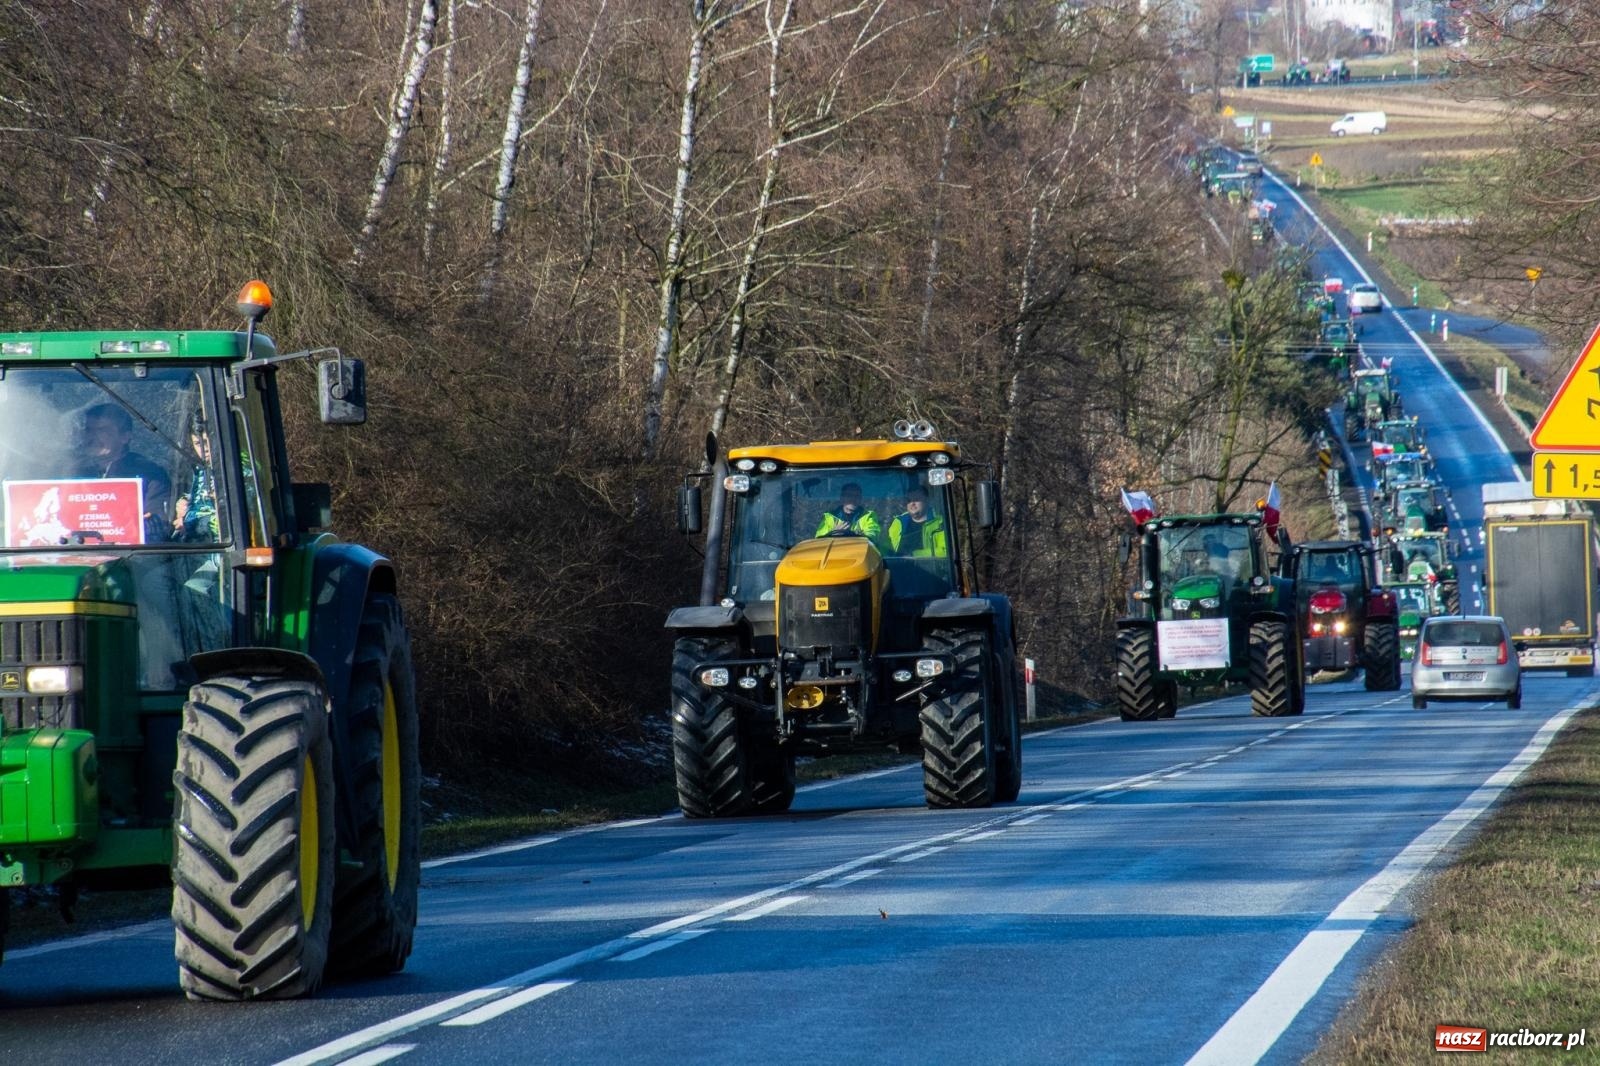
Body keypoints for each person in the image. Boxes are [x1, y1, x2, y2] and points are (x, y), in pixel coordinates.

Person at [77, 402, 171, 542]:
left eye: (102, 430)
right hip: (73, 551)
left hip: (132, 556)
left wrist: (144, 523)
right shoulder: (72, 472)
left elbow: (160, 525)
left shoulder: (150, 474)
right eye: (88, 430)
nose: (92, 437)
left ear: (125, 437)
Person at [173, 412, 220, 543]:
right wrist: (181, 512)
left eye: (206, 442)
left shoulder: (239, 468)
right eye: (198, 444)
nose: (204, 449)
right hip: (192, 543)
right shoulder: (195, 470)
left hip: (218, 544)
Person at [887, 486, 948, 557]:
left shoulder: (939, 522)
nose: (912, 503)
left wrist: (914, 555)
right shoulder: (898, 522)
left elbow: (945, 551)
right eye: (909, 500)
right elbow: (888, 549)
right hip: (897, 567)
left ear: (927, 500)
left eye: (916, 499)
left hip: (930, 567)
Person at [815, 482, 882, 544]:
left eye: (857, 496)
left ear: (860, 499)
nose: (853, 499)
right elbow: (819, 542)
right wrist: (833, 533)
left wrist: (851, 534)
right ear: (842, 498)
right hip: (834, 555)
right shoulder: (829, 517)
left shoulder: (868, 516)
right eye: (849, 495)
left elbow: (872, 537)